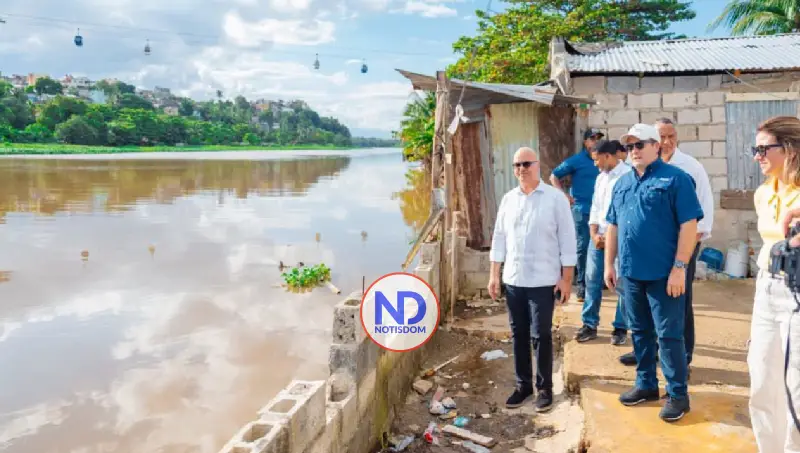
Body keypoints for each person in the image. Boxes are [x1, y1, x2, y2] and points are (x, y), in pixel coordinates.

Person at [604, 123, 704, 422]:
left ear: (655, 146)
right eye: (629, 146)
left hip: (664, 274)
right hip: (631, 274)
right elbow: (613, 226)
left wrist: (680, 268)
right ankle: (646, 384)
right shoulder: (622, 183)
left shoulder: (676, 179)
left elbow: (689, 225)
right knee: (640, 332)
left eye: (640, 144)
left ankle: (677, 395)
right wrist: (610, 264)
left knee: (669, 335)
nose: (634, 151)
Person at [617, 118, 715, 377]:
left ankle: (683, 359)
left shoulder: (689, 169)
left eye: (671, 136)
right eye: (663, 136)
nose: (667, 142)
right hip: (644, 256)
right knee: (643, 309)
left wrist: (681, 259)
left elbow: (700, 217)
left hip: (681, 249)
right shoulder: (633, 172)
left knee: (678, 306)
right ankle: (647, 354)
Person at [488, 146, 576, 413]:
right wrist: (494, 275)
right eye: (517, 165)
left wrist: (566, 279)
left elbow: (568, 240)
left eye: (526, 164)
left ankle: (545, 388)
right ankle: (523, 385)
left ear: (538, 165)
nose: (522, 169)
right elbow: (499, 238)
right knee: (518, 334)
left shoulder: (555, 199)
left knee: (541, 335)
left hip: (543, 280)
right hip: (514, 279)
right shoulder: (508, 199)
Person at [746, 116, 800, 451]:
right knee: (763, 381)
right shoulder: (763, 193)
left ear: (790, 149)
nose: (757, 156)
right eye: (755, 149)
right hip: (767, 286)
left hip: (797, 290)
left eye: (764, 149)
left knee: (797, 385)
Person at [574, 139, 632, 344]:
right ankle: (589, 324)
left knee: (622, 282)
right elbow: (596, 208)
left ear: (608, 156)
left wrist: (611, 237)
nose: (595, 164)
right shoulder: (601, 178)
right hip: (597, 237)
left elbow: (627, 212)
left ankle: (620, 327)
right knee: (592, 279)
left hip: (620, 239)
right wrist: (593, 234)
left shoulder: (628, 176)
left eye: (597, 159)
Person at [550, 128, 603, 301]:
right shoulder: (577, 160)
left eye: (598, 138)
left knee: (601, 245)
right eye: (592, 138)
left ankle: (597, 281)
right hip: (582, 210)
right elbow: (554, 176)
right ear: (585, 142)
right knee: (583, 246)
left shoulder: (604, 159)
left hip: (602, 212)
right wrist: (563, 195)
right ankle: (582, 286)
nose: (595, 141)